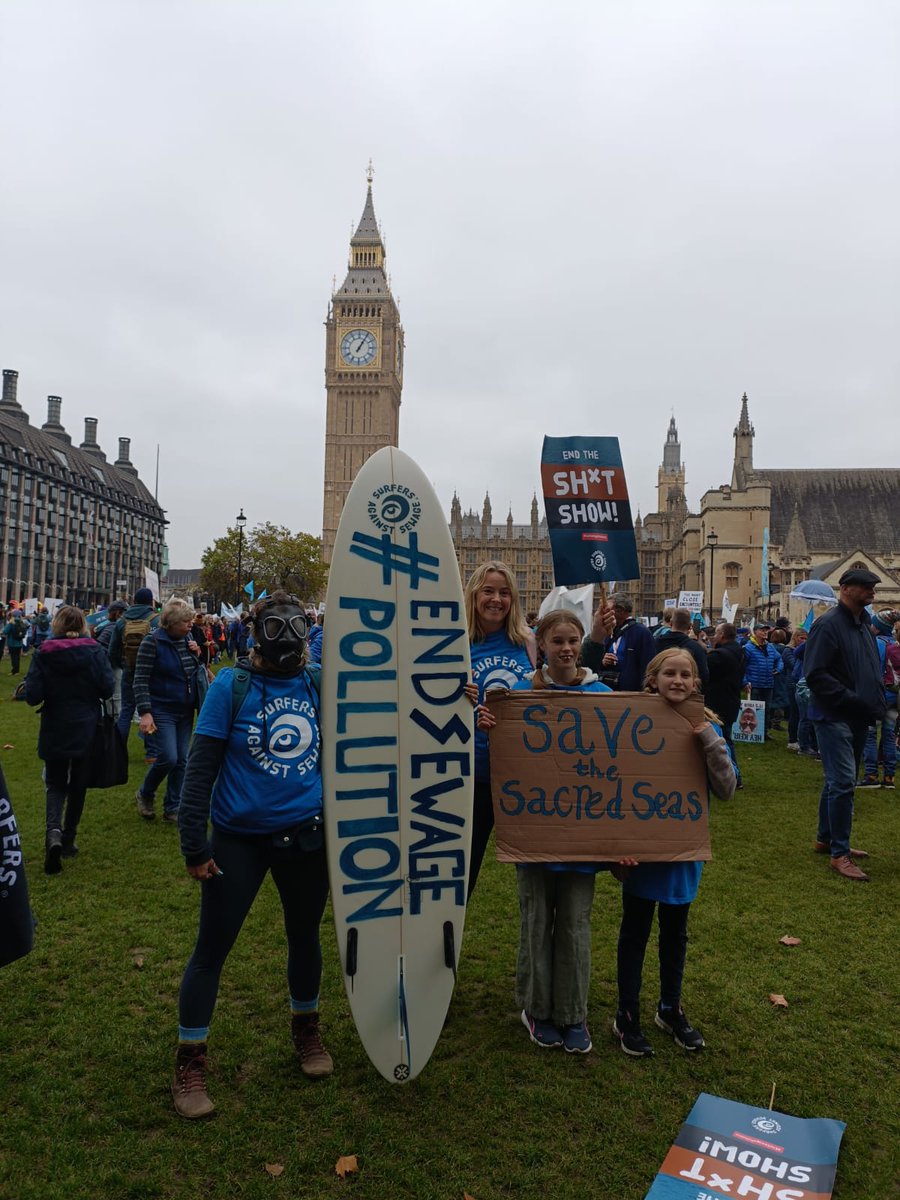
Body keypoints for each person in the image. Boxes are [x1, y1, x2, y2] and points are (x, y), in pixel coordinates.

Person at [171, 591, 330, 1119]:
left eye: (296, 627)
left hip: (305, 837)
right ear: (257, 632)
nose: (287, 638)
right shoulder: (229, 686)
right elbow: (200, 768)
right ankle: (190, 1059)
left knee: (304, 937)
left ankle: (306, 1029)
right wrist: (194, 844)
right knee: (211, 949)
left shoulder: (317, 683)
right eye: (275, 627)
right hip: (238, 839)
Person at [478, 611, 616, 1054]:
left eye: (573, 640)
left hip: (582, 836)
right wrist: (490, 726)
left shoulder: (602, 695)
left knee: (574, 924)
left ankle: (573, 1013)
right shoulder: (518, 694)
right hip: (534, 834)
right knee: (536, 921)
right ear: (541, 644)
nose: (567, 649)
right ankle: (536, 1009)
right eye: (557, 641)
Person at [613, 648, 735, 1057]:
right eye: (670, 673)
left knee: (674, 934)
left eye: (686, 674)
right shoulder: (630, 720)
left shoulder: (708, 727)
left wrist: (708, 739)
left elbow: (727, 788)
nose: (678, 681)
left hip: (681, 855)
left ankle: (670, 1007)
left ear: (696, 682)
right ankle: (626, 1012)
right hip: (641, 854)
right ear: (653, 679)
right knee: (634, 933)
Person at [804, 568, 885, 881]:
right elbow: (816, 675)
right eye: (865, 586)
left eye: (872, 586)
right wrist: (853, 699)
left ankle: (825, 839)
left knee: (837, 781)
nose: (871, 591)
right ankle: (840, 854)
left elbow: (869, 669)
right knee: (843, 782)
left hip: (859, 715)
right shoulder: (827, 625)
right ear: (845, 588)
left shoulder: (864, 625)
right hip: (834, 714)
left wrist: (874, 702)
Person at [24, 605, 114, 872]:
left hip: (56, 723)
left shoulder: (44, 653)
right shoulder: (94, 651)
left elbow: (33, 695)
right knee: (79, 782)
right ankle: (68, 838)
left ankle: (53, 832)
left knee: (55, 782)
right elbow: (107, 688)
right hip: (86, 724)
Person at [466, 561, 536, 897]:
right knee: (462, 869)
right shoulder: (455, 642)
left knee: (537, 870)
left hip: (520, 775)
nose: (496, 599)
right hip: (472, 775)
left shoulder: (527, 642)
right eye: (489, 591)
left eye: (505, 593)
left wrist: (596, 638)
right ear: (473, 595)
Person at [133, 598, 204, 823]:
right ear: (171, 623)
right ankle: (145, 793)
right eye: (185, 621)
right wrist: (145, 712)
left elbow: (194, 671)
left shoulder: (188, 639)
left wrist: (197, 654)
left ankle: (173, 806)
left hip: (185, 710)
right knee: (168, 757)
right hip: (162, 709)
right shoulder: (151, 642)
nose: (190, 624)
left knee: (182, 760)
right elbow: (140, 679)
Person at [108, 588, 159, 744]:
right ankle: (151, 749)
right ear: (151, 602)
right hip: (152, 673)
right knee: (150, 710)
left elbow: (112, 650)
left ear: (134, 601)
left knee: (126, 711)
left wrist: (123, 665)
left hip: (129, 670)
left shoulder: (122, 621)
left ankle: (118, 748)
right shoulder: (156, 620)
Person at [857, 608, 900, 790]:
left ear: (878, 626)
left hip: (877, 696)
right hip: (894, 696)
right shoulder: (895, 643)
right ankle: (889, 777)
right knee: (889, 735)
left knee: (870, 734)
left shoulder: (875, 643)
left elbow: (869, 671)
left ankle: (871, 775)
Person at [581, 592, 655, 692]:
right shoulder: (606, 631)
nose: (603, 612)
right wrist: (602, 660)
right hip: (604, 692)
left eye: (607, 609)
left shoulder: (642, 632)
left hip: (630, 694)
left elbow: (648, 667)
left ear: (620, 610)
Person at [705, 622, 746, 787]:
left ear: (722, 635)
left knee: (723, 741)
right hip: (731, 701)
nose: (714, 636)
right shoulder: (738, 651)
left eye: (716, 633)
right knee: (725, 738)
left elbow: (703, 667)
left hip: (719, 703)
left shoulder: (720, 655)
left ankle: (734, 777)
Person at [741, 622, 782, 736]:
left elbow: (779, 659)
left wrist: (779, 669)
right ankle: (752, 733)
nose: (765, 632)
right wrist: (744, 682)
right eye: (762, 630)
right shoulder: (748, 648)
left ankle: (763, 733)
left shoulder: (770, 647)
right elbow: (741, 666)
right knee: (753, 710)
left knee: (767, 709)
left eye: (766, 630)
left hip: (768, 684)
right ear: (755, 632)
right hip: (754, 684)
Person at [660, 608, 709, 690]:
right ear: (690, 626)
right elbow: (703, 676)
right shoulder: (696, 648)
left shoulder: (656, 643)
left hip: (660, 691)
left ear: (671, 623)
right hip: (687, 692)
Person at [3, 609, 28, 675]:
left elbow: (5, 631)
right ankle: (17, 671)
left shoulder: (11, 623)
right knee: (17, 657)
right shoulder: (22, 622)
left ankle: (14, 671)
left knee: (13, 657)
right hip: (19, 643)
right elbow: (25, 631)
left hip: (12, 643)